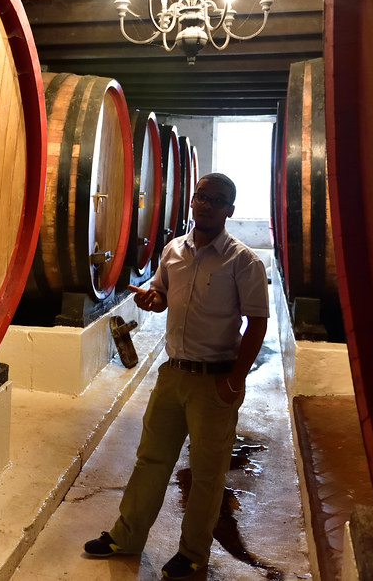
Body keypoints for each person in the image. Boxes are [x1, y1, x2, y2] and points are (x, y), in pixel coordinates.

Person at [83, 172, 270, 579]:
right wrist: (153, 300)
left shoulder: (244, 261)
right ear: (192, 201)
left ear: (229, 211)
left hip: (215, 379)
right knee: (151, 459)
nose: (206, 203)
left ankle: (192, 555)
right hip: (173, 374)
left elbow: (258, 323)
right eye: (201, 196)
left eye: (216, 200)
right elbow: (161, 297)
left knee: (206, 473)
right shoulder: (174, 252)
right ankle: (126, 536)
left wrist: (236, 380)